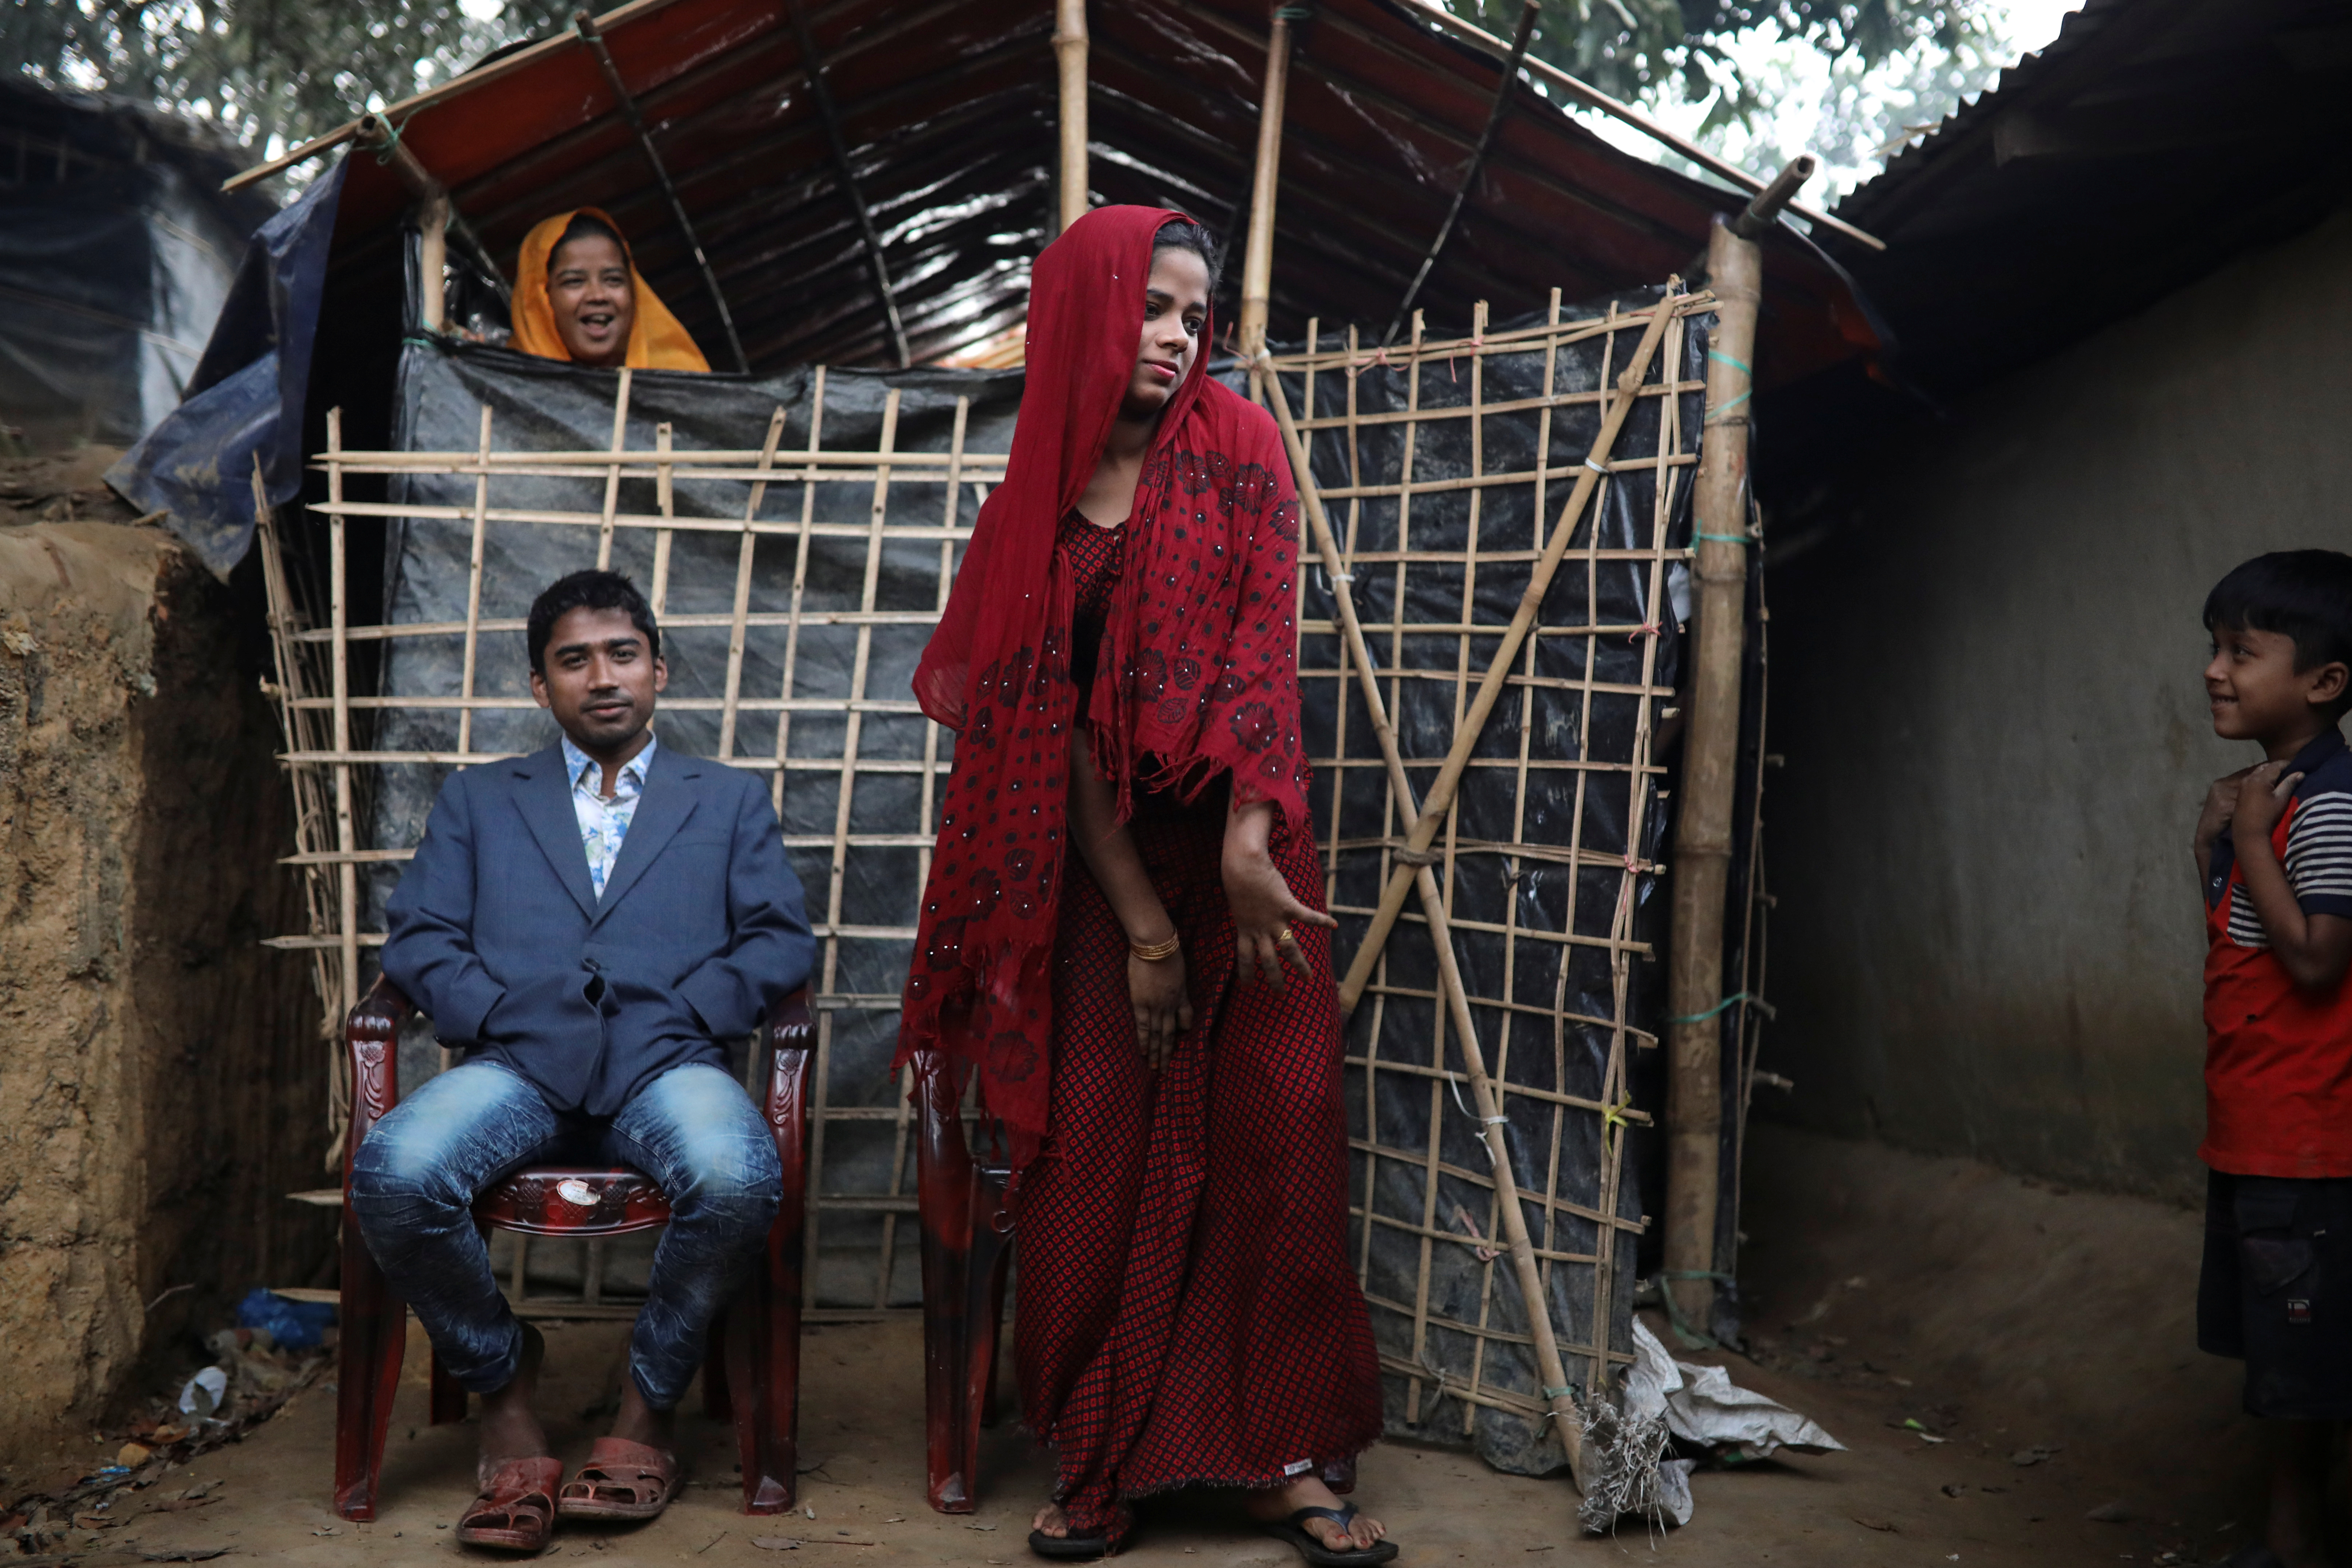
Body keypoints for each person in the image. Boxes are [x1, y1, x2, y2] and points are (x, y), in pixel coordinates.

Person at [897, 205, 1395, 1565]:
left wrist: (1245, 853)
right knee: (1094, 1157)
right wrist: (1144, 932)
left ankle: (1286, 1456)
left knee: (1280, 1137)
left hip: (1249, 851)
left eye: (1195, 313)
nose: (1181, 336)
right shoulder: (1032, 497)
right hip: (1103, 876)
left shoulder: (1237, 445)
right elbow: (1042, 724)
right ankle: (1100, 1451)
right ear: (1088, 311)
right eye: (1155, 308)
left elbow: (1260, 645)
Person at [351, 569, 814, 1551]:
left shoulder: (726, 801)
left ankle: (647, 1406)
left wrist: (691, 1009)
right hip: (516, 1061)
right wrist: (501, 1012)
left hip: (668, 1061)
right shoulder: (480, 799)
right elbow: (421, 940)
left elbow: (779, 940)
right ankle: (503, 1378)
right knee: (392, 1172)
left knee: (736, 1177)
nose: (601, 677)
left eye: (621, 654)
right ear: (539, 685)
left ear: (659, 669)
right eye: (573, 661)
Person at [2191, 550, 2352, 1568]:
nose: (2214, 669)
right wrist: (2206, 843)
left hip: (2309, 1141)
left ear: (2324, 683)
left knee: (2308, 1373)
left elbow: (2314, 961)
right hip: (2254, 1133)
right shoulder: (2264, 793)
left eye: (2243, 652)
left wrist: (2249, 839)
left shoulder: (2327, 803)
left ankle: (2293, 1551)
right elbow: (2233, 949)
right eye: (2213, 647)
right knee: (2283, 1361)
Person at [510, 208, 711, 371]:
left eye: (613, 280)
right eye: (574, 282)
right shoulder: (502, 390)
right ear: (539, 299)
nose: (598, 296)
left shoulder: (679, 383)